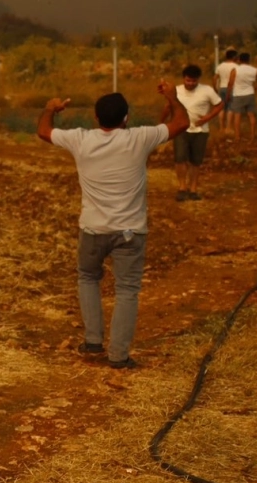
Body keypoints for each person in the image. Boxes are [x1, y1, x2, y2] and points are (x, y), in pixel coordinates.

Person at [39, 84, 188, 369]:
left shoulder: (80, 139)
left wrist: (50, 108)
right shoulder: (140, 138)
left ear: (96, 118)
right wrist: (172, 97)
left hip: (92, 230)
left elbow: (44, 131)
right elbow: (181, 123)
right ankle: (119, 356)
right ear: (126, 118)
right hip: (130, 232)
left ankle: (93, 341)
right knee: (127, 290)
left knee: (88, 278)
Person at [166, 64, 223, 200]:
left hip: (200, 131)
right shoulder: (176, 91)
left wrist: (208, 117)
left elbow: (219, 104)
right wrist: (164, 123)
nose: (191, 83)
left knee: (195, 162)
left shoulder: (207, 90)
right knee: (180, 159)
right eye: (188, 80)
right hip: (180, 130)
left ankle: (193, 189)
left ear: (198, 79)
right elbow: (168, 107)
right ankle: (182, 187)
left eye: (194, 81)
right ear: (183, 78)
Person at [228, 51, 257, 141]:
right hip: (250, 94)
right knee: (251, 115)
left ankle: (237, 137)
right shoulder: (254, 69)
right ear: (249, 60)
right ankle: (252, 136)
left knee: (237, 116)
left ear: (239, 60)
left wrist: (228, 95)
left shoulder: (235, 70)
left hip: (238, 95)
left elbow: (230, 84)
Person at [215, 49, 239, 134]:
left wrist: (215, 88)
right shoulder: (236, 66)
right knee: (230, 108)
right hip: (232, 88)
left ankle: (221, 128)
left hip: (221, 88)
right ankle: (228, 128)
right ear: (234, 57)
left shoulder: (220, 66)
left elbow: (215, 78)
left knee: (221, 108)